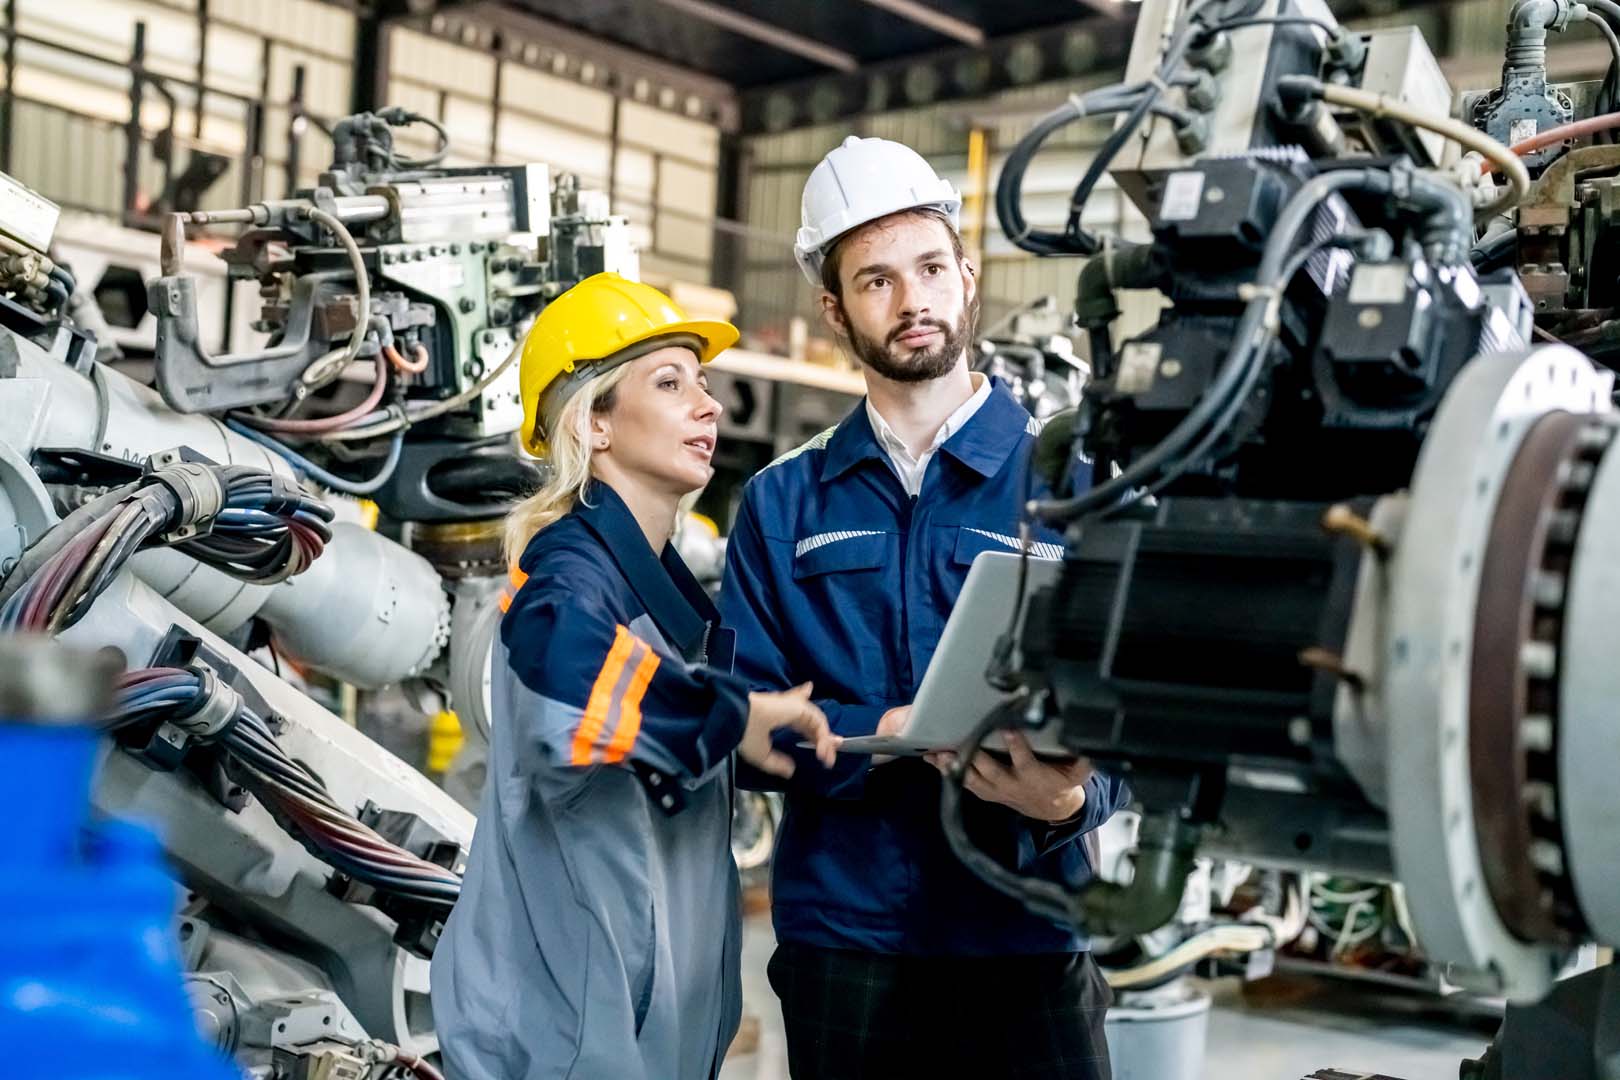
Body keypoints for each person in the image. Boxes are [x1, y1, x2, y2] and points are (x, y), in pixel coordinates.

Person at [720, 137, 1130, 1079]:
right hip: (846, 947)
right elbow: (740, 725)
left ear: (967, 274)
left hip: (1028, 936)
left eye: (932, 267)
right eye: (876, 281)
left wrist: (1070, 802)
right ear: (833, 309)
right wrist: (886, 732)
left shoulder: (1071, 481)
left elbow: (1141, 709)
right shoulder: (785, 504)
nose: (913, 302)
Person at [432, 272, 839, 1080]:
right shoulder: (570, 570)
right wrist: (729, 715)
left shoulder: (658, 588)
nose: (708, 404)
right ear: (597, 423)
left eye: (703, 381)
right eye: (669, 381)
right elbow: (560, 665)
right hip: (562, 1048)